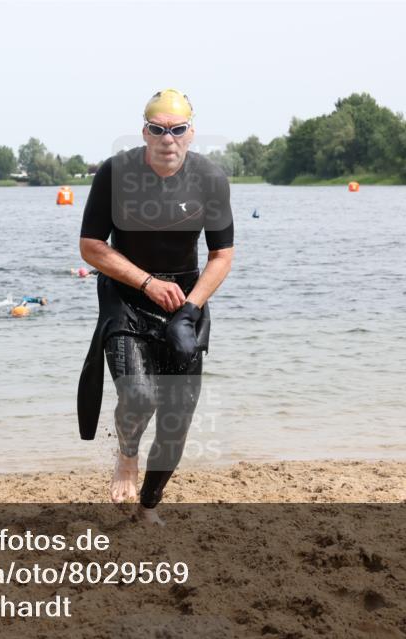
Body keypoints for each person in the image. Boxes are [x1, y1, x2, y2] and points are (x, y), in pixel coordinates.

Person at [77, 88, 234, 525]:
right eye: (158, 129)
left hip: (184, 301)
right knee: (139, 394)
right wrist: (147, 283)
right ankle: (127, 456)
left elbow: (222, 255)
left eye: (178, 129)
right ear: (144, 132)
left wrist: (191, 309)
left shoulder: (210, 179)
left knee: (176, 419)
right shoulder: (115, 173)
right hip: (126, 296)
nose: (168, 139)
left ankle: (148, 506)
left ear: (191, 133)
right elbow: (91, 246)